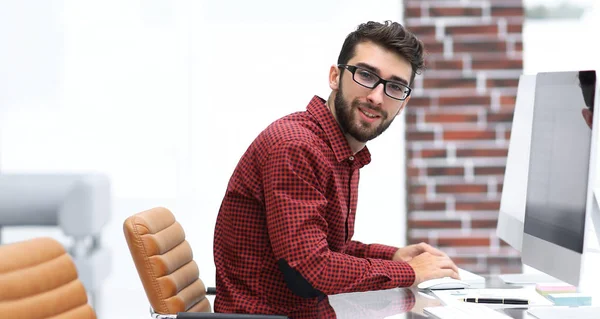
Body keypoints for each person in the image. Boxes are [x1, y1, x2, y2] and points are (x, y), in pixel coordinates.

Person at [213, 21, 459, 316]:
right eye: (367, 75)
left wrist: (394, 256)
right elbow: (310, 271)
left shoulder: (339, 151)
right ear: (335, 76)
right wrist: (408, 272)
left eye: (394, 86)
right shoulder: (295, 147)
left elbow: (325, 248)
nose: (376, 97)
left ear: (403, 103)